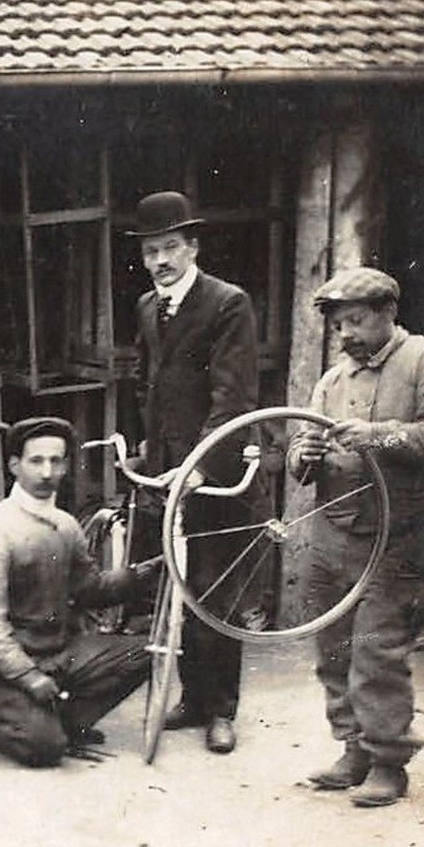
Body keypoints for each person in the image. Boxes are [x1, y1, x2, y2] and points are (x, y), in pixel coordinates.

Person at [286, 267, 424, 808]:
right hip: (332, 535)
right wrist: (301, 458)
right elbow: (299, 455)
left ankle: (387, 761)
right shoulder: (332, 380)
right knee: (333, 647)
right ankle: (353, 747)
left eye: (355, 321)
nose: (346, 335)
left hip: (396, 535)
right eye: (338, 326)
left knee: (376, 650)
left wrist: (377, 435)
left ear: (387, 313)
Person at [0, 417, 159, 767]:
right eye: (36, 461)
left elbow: (89, 590)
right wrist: (29, 677)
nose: (47, 472)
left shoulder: (66, 525)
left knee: (147, 652)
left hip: (59, 654)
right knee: (45, 749)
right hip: (7, 668)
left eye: (56, 461)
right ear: (14, 465)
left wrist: (141, 574)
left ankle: (64, 722)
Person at [130, 190, 259, 754]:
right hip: (166, 468)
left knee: (213, 585)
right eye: (150, 251)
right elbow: (148, 384)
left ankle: (222, 710)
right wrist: (147, 448)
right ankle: (190, 697)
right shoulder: (145, 307)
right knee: (174, 580)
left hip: (213, 467)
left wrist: (202, 463)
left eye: (170, 248)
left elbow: (232, 394)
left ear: (193, 247)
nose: (160, 261)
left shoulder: (228, 303)